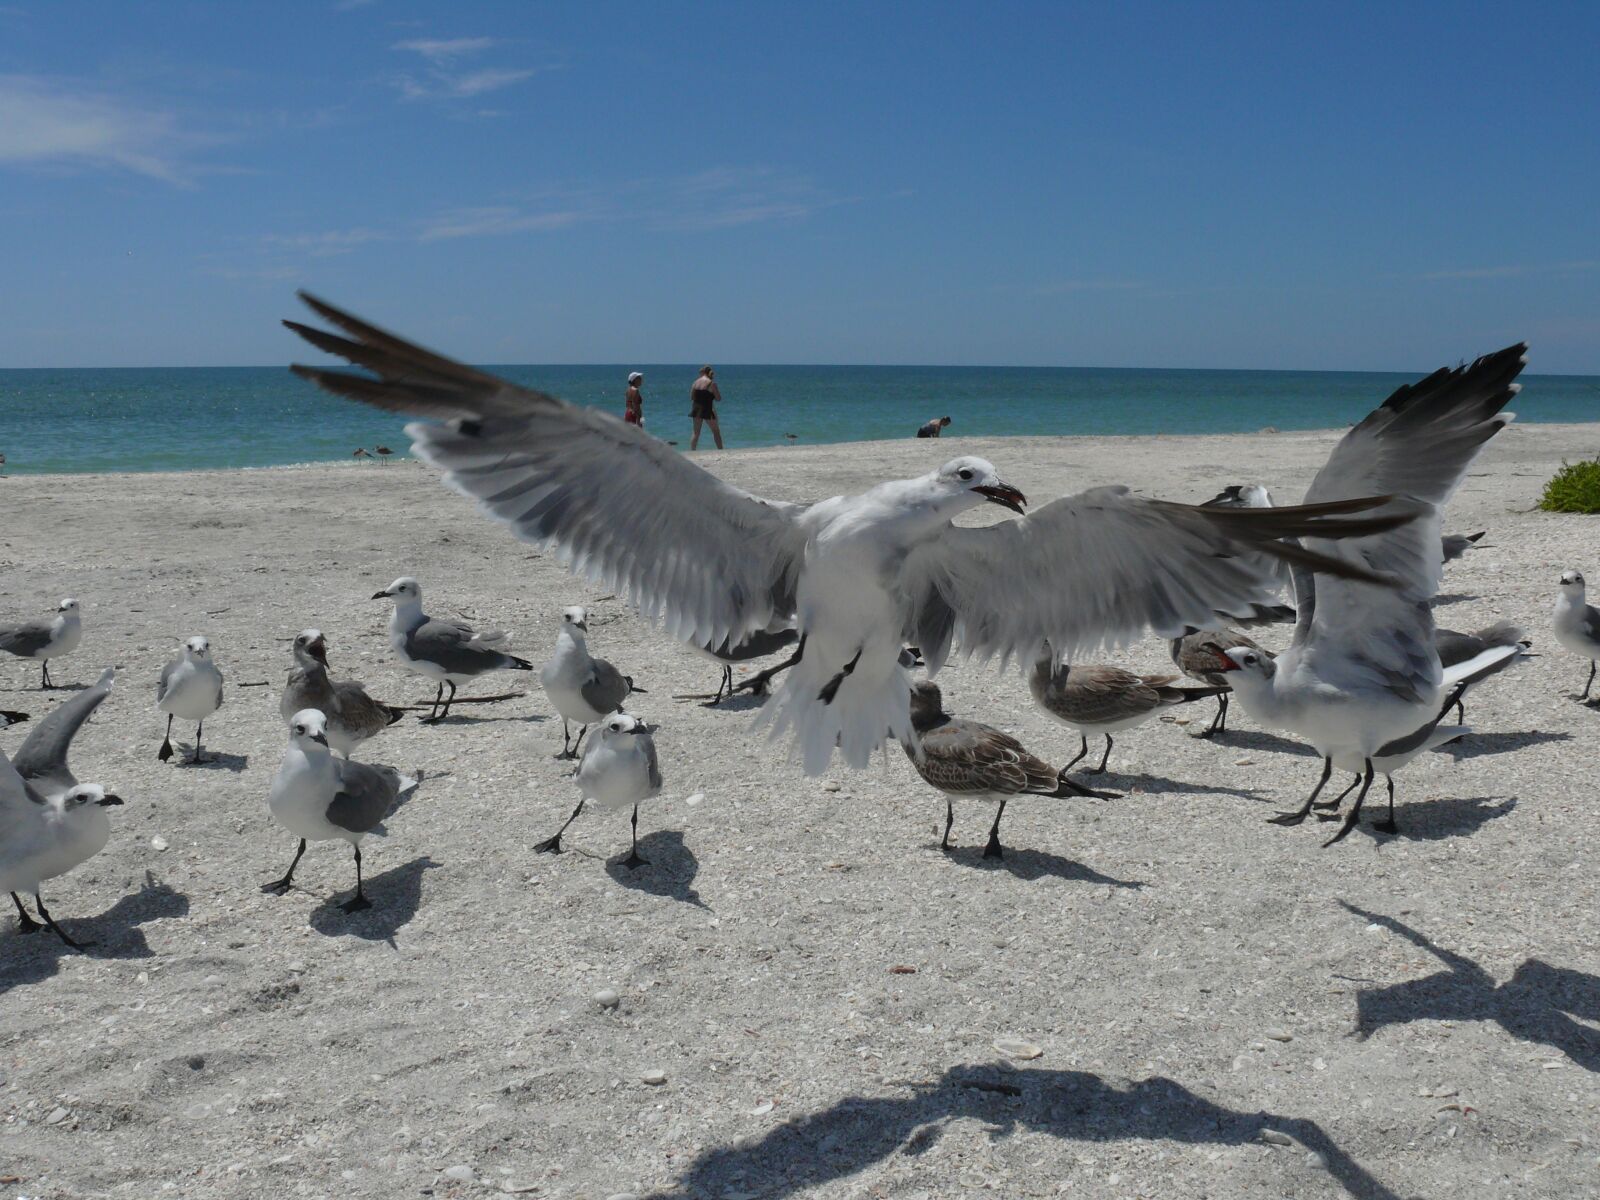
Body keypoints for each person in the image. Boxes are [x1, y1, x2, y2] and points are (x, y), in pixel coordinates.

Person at [689, 365, 723, 450]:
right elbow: (718, 398)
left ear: (702, 373)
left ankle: (692, 451)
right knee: (716, 431)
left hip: (696, 409)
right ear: (709, 373)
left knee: (696, 433)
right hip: (708, 409)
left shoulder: (695, 382)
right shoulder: (712, 383)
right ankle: (720, 450)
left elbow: (692, 397)